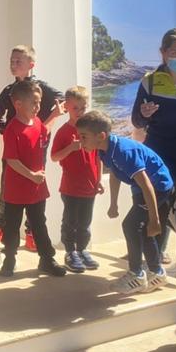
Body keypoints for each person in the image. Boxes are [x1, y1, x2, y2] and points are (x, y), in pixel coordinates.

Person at [131, 28, 176, 285]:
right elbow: (136, 120)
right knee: (155, 212)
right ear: (163, 53)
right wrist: (144, 115)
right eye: (175, 52)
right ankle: (155, 268)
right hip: (158, 154)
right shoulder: (149, 82)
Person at [76, 110, 173, 295]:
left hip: (157, 186)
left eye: (83, 137)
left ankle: (137, 274)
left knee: (131, 225)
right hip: (140, 187)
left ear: (101, 136)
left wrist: (154, 220)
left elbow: (147, 185)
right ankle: (157, 272)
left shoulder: (124, 152)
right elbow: (115, 173)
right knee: (141, 229)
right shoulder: (104, 150)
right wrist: (113, 203)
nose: (80, 141)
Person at [0, 44, 64, 246]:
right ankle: (2, 226)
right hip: (15, 146)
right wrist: (7, 131)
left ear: (31, 65)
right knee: (7, 185)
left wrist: (46, 123)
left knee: (36, 185)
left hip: (36, 147)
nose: (13, 64)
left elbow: (63, 100)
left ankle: (32, 234)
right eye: (11, 61)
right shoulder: (9, 90)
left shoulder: (42, 88)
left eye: (18, 61)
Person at [0, 81, 67, 279]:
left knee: (39, 223)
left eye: (39, 102)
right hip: (17, 190)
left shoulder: (36, 122)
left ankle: (47, 259)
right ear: (18, 104)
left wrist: (55, 114)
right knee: (12, 226)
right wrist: (32, 175)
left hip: (36, 188)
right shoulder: (12, 129)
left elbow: (44, 131)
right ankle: (9, 259)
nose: (38, 107)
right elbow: (11, 160)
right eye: (34, 103)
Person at [50, 86, 101, 273]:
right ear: (67, 107)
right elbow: (54, 157)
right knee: (70, 222)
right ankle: (70, 252)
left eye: (83, 107)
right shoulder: (63, 132)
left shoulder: (92, 131)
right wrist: (70, 148)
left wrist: (99, 180)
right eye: (75, 108)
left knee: (85, 223)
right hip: (71, 187)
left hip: (90, 186)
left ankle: (82, 250)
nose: (79, 112)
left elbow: (98, 157)